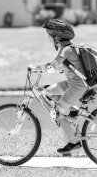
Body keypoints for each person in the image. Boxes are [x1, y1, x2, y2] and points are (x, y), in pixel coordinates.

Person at [29, 19, 88, 154]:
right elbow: (62, 66)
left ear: (58, 36)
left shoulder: (65, 50)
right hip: (72, 83)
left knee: (57, 113)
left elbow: (52, 67)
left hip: (77, 86)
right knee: (47, 92)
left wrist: (36, 69)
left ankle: (73, 142)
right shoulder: (67, 49)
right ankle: (73, 112)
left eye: (51, 35)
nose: (50, 38)